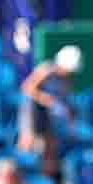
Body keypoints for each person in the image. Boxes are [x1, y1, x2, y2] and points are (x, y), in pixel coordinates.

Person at [19, 44, 78, 174]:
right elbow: (27, 88)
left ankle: (47, 179)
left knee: (51, 146)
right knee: (28, 143)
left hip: (49, 117)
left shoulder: (67, 79)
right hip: (32, 111)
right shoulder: (45, 70)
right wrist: (45, 99)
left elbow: (66, 101)